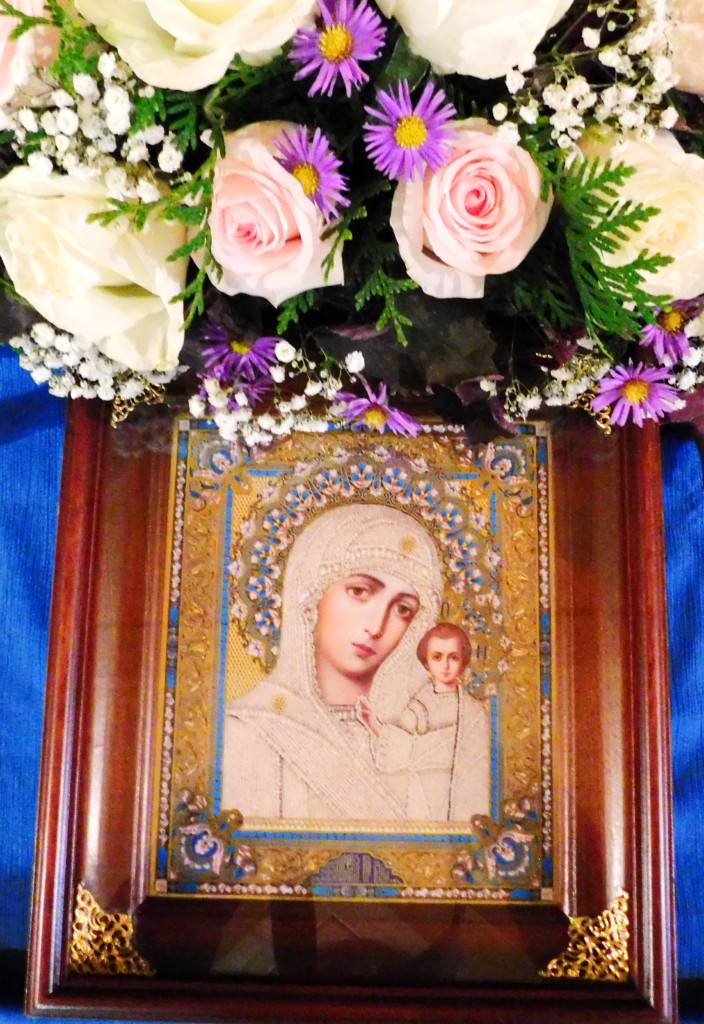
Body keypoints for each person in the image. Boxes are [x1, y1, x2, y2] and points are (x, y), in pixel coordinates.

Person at [221, 503, 444, 822]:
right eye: (360, 591)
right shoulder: (247, 731)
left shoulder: (418, 735)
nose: (376, 626)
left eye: (402, 609)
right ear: (310, 595)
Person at [356, 623, 491, 821]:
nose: (445, 666)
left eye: (453, 657)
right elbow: (401, 749)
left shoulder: (474, 710)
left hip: (464, 792)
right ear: (426, 663)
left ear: (463, 661)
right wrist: (373, 724)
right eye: (437, 657)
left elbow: (481, 757)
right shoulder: (419, 707)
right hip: (426, 793)